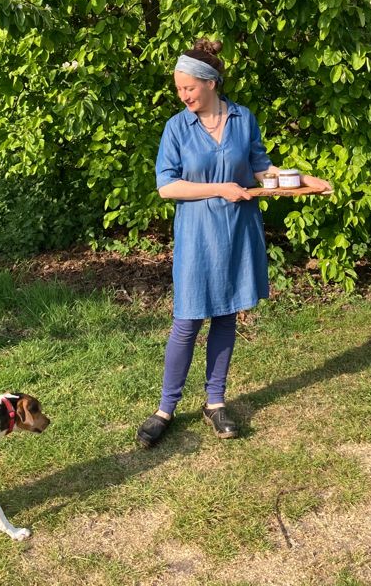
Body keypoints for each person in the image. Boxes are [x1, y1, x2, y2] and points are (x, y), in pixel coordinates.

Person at [136, 39, 332, 447]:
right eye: (178, 89)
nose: (183, 96)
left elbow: (261, 168)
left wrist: (303, 180)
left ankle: (215, 401)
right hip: (197, 236)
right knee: (187, 321)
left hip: (238, 231)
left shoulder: (243, 119)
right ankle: (165, 409)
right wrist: (220, 188)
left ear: (210, 83)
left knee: (226, 316)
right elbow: (167, 187)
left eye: (188, 88)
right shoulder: (177, 128)